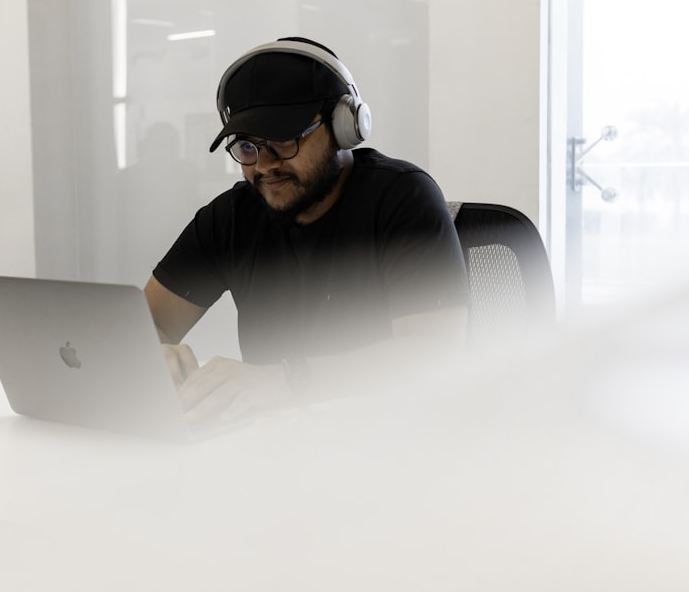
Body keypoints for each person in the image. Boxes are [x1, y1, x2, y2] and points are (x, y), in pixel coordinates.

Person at [144, 37, 470, 425]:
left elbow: (433, 353)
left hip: (390, 439)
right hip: (274, 446)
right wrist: (155, 353)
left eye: (283, 141)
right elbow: (153, 322)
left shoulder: (402, 199)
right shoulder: (232, 217)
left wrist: (289, 380)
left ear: (344, 126)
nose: (264, 165)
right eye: (247, 147)